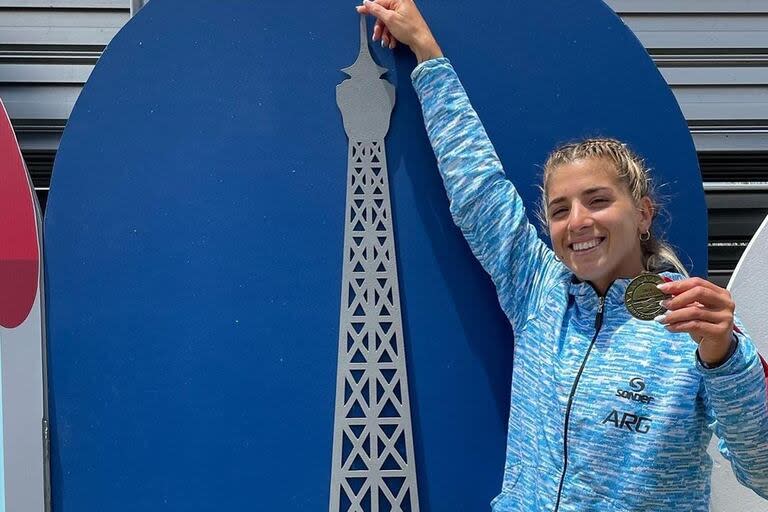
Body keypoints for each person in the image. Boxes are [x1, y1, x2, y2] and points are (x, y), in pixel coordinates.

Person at [355, 1, 768, 511]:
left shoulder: (695, 322)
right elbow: (477, 187)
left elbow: (764, 471)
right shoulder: (538, 291)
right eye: (559, 209)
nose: (578, 222)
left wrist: (727, 360)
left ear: (642, 213)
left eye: (598, 201)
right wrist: (427, 53)